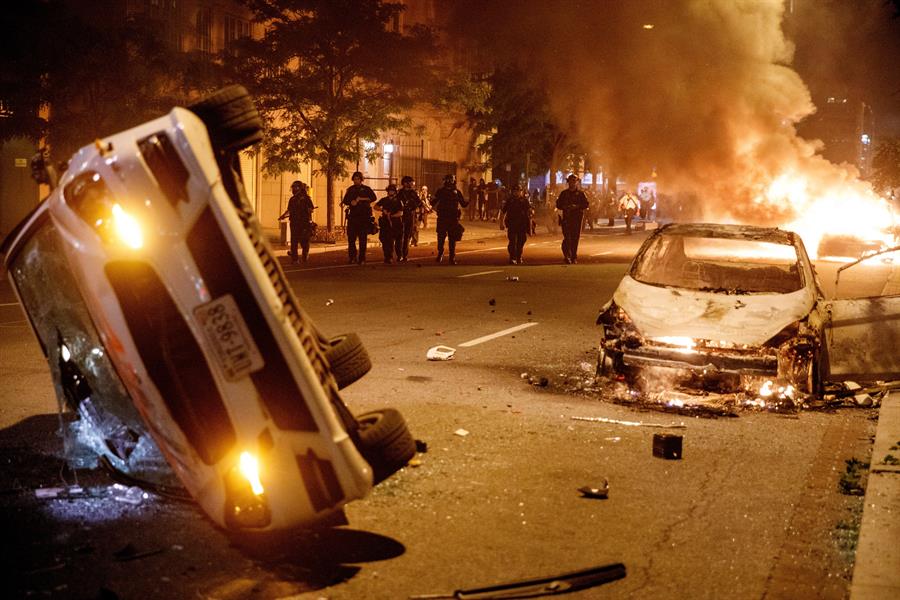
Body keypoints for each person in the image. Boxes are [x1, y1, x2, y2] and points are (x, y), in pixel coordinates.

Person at [340, 171, 377, 264]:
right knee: (351, 238)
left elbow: (373, 198)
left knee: (362, 238)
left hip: (364, 216)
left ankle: (362, 258)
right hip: (353, 216)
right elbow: (346, 200)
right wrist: (350, 202)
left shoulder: (366, 189)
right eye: (355, 179)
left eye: (358, 179)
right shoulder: (351, 189)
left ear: (361, 180)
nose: (356, 181)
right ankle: (352, 256)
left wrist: (361, 198)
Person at [431, 174, 468, 264]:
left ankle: (452, 257)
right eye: (449, 180)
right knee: (441, 237)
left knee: (452, 238)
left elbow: (463, 204)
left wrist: (468, 200)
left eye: (451, 180)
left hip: (453, 218)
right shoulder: (441, 191)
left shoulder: (456, 192)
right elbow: (433, 202)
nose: (450, 182)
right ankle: (440, 253)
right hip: (443, 217)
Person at [278, 180, 315, 264]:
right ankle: (295, 259)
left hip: (304, 222)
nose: (294, 189)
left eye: (296, 187)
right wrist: (283, 216)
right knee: (294, 240)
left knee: (304, 240)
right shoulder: (292, 199)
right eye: (293, 187)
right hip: (294, 222)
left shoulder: (306, 198)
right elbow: (289, 210)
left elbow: (311, 209)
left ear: (300, 188)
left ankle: (305, 254)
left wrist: (308, 210)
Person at [555, 173, 589, 263]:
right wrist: (565, 207)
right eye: (570, 181)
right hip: (566, 219)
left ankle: (573, 256)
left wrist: (576, 206)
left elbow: (586, 204)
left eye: (574, 181)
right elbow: (558, 204)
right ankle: (567, 255)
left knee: (575, 238)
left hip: (577, 219)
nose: (572, 183)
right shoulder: (564, 194)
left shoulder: (581, 194)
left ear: (577, 182)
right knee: (567, 238)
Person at [499, 183, 532, 264]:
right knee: (512, 241)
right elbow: (503, 212)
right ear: (512, 192)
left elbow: (529, 214)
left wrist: (530, 227)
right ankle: (512, 257)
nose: (517, 192)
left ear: (521, 192)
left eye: (518, 191)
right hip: (512, 224)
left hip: (522, 224)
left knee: (521, 241)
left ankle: (518, 256)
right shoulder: (510, 201)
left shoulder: (524, 201)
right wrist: (501, 223)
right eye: (515, 191)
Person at [375, 183, 403, 263]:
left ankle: (397, 255)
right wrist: (382, 210)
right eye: (390, 190)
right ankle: (387, 256)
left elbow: (400, 213)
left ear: (395, 192)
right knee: (384, 240)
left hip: (395, 223)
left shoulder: (398, 201)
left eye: (392, 190)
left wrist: (391, 216)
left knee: (395, 241)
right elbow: (375, 206)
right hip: (385, 223)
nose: (391, 192)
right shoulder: (384, 200)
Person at [397, 175, 423, 261]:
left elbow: (419, 203)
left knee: (407, 236)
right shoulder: (400, 193)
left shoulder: (413, 193)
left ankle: (404, 255)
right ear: (405, 183)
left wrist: (414, 206)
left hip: (410, 215)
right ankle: (399, 254)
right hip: (401, 215)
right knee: (400, 235)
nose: (412, 184)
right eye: (410, 182)